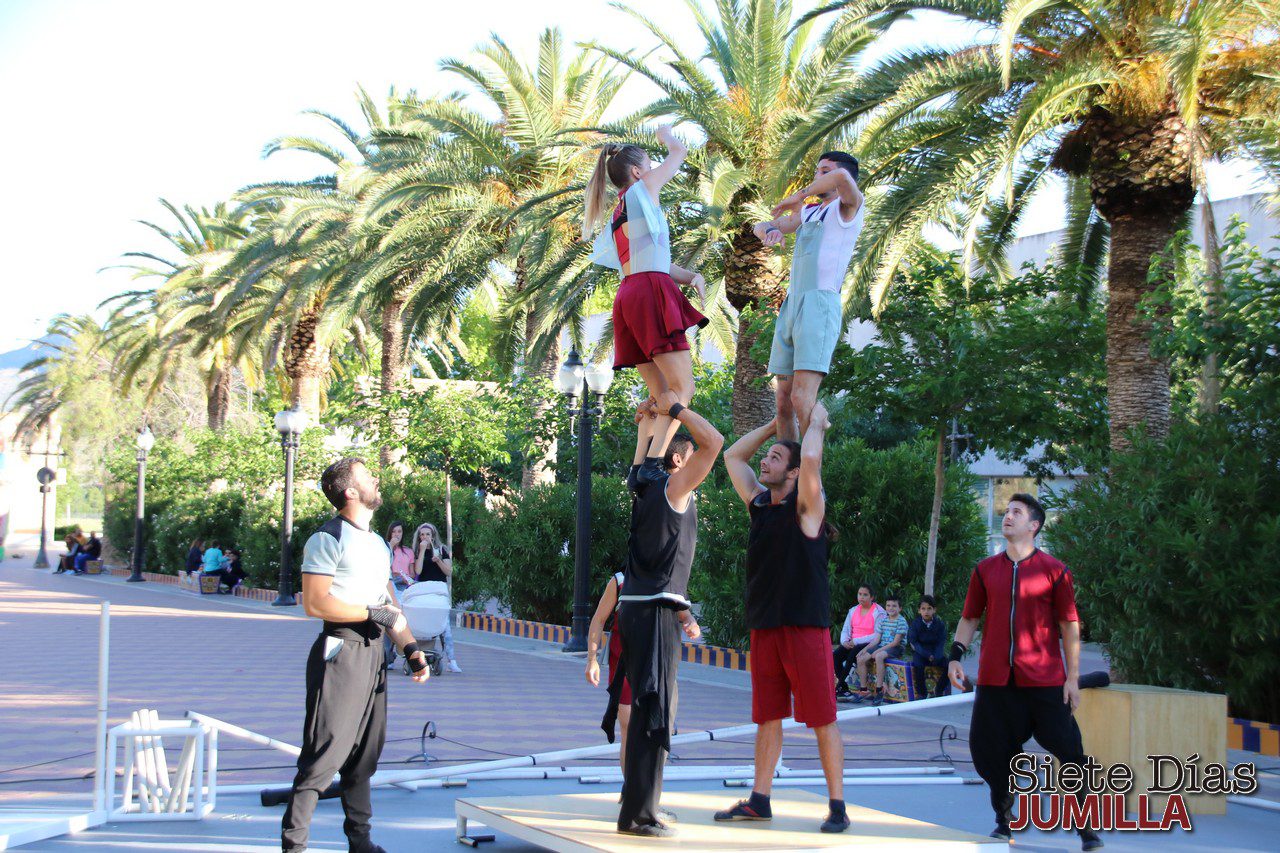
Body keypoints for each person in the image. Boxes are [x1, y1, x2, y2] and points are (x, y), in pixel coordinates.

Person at [281, 458, 430, 853]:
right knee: (324, 754)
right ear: (350, 491)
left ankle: (361, 844)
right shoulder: (327, 538)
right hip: (340, 652)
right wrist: (370, 613)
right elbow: (315, 603)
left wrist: (410, 648)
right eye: (367, 476)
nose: (376, 479)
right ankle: (294, 847)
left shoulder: (378, 543)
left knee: (365, 754)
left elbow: (388, 605)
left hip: (373, 653)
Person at [716, 402, 849, 834]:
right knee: (767, 716)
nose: (765, 460)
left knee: (822, 718)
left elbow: (810, 457)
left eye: (775, 457)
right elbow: (733, 456)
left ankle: (837, 806)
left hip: (804, 627)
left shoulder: (807, 510)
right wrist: (773, 425)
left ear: (792, 474)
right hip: (765, 627)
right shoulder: (759, 503)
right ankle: (760, 799)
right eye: (768, 456)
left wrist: (818, 422)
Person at [947, 493, 1103, 851]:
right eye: (1006, 511)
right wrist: (954, 656)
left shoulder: (1055, 570)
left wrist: (1073, 678)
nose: (1007, 515)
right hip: (996, 682)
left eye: (1016, 512)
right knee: (988, 751)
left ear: (1034, 526)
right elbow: (970, 618)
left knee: (1070, 751)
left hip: (1045, 680)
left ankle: (1086, 829)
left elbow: (1069, 625)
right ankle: (1003, 821)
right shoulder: (985, 570)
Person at [603, 390, 722, 837]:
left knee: (648, 711)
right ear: (679, 463)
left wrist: (649, 422)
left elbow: (642, 457)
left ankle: (637, 806)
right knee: (656, 712)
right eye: (689, 460)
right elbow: (715, 441)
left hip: (639, 608)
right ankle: (639, 815)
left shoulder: (644, 483)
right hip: (652, 612)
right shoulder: (673, 488)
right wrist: (675, 408)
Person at [584, 126, 708, 480]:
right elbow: (680, 152)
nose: (655, 171)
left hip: (630, 293)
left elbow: (654, 261)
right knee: (682, 389)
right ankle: (653, 466)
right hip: (649, 291)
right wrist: (667, 136)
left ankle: (640, 466)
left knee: (661, 394)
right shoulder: (643, 189)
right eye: (650, 165)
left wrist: (691, 276)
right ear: (637, 172)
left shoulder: (623, 208)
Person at [752, 152, 865, 442]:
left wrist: (797, 195)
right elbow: (763, 225)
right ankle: (789, 469)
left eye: (824, 171)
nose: (818, 177)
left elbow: (841, 179)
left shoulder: (849, 207)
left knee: (803, 398)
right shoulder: (810, 212)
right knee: (783, 401)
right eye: (816, 172)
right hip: (792, 305)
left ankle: (810, 473)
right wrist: (769, 232)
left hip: (819, 305)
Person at [586, 571, 631, 774]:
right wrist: (592, 660)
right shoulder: (620, 581)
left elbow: (682, 611)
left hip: (654, 665)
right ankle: (631, 790)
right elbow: (598, 619)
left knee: (653, 731)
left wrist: (689, 620)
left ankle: (648, 792)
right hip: (624, 665)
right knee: (628, 726)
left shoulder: (667, 576)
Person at [413, 522, 461, 673]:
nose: (425, 537)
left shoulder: (441, 550)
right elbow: (418, 570)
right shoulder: (417, 551)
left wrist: (438, 560)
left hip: (439, 593)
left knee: (444, 628)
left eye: (427, 534)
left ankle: (451, 660)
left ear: (433, 535)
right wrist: (421, 551)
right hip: (424, 593)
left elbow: (448, 572)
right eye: (422, 534)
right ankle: (418, 657)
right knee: (422, 626)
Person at [854, 593, 908, 706]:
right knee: (860, 658)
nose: (891, 608)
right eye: (888, 606)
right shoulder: (883, 620)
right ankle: (864, 690)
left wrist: (877, 651)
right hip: (882, 645)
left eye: (894, 606)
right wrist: (865, 649)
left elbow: (895, 642)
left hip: (896, 648)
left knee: (879, 656)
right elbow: (876, 640)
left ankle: (879, 690)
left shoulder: (901, 621)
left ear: (900, 608)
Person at [833, 585, 885, 701]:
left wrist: (856, 641)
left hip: (869, 643)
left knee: (852, 656)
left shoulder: (879, 612)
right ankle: (844, 689)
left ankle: (838, 686)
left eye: (865, 595)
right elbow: (846, 629)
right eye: (860, 594)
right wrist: (844, 641)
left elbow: (877, 635)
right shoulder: (853, 610)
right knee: (835, 655)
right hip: (852, 642)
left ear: (872, 597)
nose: (861, 597)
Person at [908, 594, 948, 700]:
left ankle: (939, 690)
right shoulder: (915, 624)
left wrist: (937, 655)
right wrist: (927, 655)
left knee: (949, 665)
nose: (926, 611)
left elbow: (941, 641)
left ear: (934, 610)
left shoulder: (939, 624)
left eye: (929, 608)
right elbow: (913, 643)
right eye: (923, 609)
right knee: (918, 666)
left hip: (935, 653)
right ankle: (922, 693)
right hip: (921, 652)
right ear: (919, 610)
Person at [386, 521, 415, 590]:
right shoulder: (385, 548)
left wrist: (405, 577)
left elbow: (413, 574)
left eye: (399, 531)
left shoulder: (409, 551)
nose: (397, 534)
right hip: (391, 582)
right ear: (390, 533)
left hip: (405, 582)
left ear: (402, 533)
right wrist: (391, 546)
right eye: (393, 531)